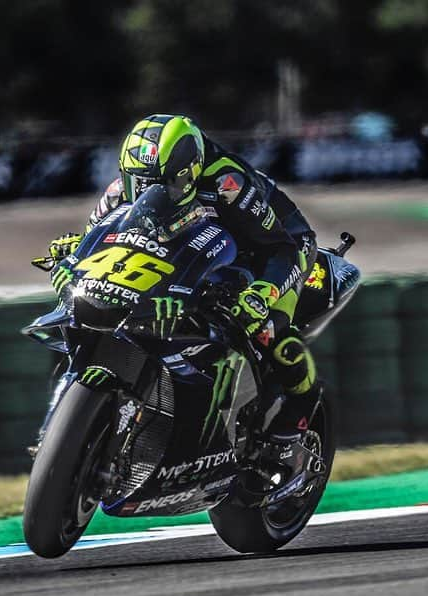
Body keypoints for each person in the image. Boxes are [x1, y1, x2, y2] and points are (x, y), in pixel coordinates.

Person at [46, 114, 320, 460]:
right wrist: (73, 261)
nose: (151, 193)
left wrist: (262, 293)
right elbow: (100, 241)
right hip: (199, 245)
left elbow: (281, 248)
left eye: (166, 184)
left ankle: (295, 419)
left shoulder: (227, 183)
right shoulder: (120, 190)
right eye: (143, 184)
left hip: (274, 245)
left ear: (191, 169)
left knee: (267, 328)